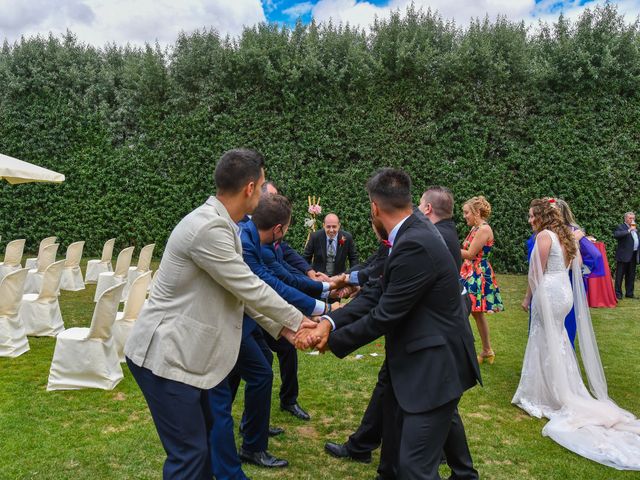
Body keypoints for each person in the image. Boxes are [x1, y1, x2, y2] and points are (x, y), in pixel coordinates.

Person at [124, 149, 312, 480]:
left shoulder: (224, 225)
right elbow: (249, 287)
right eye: (264, 182)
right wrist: (299, 322)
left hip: (190, 357)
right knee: (190, 456)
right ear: (250, 188)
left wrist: (285, 330)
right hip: (165, 358)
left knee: (206, 450)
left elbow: (238, 293)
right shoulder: (208, 228)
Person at [300, 168, 480, 480]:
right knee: (396, 463)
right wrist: (329, 321)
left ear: (374, 207)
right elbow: (378, 292)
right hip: (415, 361)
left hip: (435, 366)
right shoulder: (413, 229)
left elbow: (385, 313)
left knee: (414, 470)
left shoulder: (414, 242)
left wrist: (330, 340)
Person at [514, 198, 640, 470]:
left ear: (541, 217)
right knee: (557, 340)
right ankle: (559, 388)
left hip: (548, 291)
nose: (528, 219)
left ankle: (541, 395)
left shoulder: (545, 236)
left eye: (530, 215)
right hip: (565, 293)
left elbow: (536, 273)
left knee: (541, 340)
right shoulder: (567, 238)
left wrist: (527, 298)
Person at [524, 198, 604, 347]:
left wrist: (579, 272)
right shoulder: (561, 234)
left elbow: (592, 257)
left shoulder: (549, 235)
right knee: (556, 329)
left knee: (555, 327)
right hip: (563, 286)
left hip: (551, 286)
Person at [460, 195, 503, 364]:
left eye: (466, 212)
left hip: (477, 273)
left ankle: (463, 351)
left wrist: (446, 246)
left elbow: (470, 254)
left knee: (465, 311)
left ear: (476, 212)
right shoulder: (475, 228)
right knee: (476, 314)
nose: (464, 216)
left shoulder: (484, 229)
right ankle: (487, 350)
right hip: (470, 271)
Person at [613, 211, 639, 300]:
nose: (632, 220)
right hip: (623, 255)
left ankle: (629, 293)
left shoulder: (635, 228)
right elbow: (616, 235)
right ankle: (618, 293)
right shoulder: (621, 227)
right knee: (620, 275)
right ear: (625, 218)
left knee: (631, 275)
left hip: (633, 254)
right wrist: (629, 230)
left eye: (633, 218)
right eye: (630, 218)